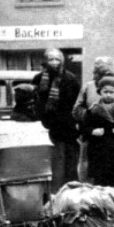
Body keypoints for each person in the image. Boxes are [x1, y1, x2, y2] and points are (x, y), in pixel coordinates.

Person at [32, 48, 81, 193]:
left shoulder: (70, 79)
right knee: (51, 168)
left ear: (62, 61)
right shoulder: (38, 78)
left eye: (57, 59)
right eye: (51, 59)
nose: (54, 62)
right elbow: (36, 103)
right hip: (45, 128)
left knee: (67, 167)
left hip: (66, 130)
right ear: (46, 61)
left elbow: (75, 104)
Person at [83, 76, 114, 188]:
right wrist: (92, 131)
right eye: (105, 91)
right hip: (98, 151)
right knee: (100, 182)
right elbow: (84, 129)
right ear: (100, 92)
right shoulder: (93, 110)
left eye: (111, 92)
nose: (108, 94)